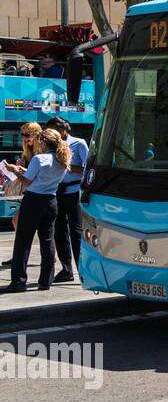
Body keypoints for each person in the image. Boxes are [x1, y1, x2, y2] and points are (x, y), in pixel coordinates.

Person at [2, 128, 70, 292]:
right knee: (47, 241)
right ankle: (45, 281)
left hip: (33, 200)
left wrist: (15, 171)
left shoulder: (39, 159)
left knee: (23, 241)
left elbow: (26, 182)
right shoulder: (62, 159)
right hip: (51, 201)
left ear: (44, 142)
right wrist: (23, 171)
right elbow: (40, 177)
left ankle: (19, 281)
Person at [46, 116, 88, 281]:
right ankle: (66, 269)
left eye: (54, 130)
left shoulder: (78, 143)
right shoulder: (52, 146)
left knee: (76, 231)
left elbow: (86, 167)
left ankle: (82, 269)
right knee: (59, 231)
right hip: (57, 191)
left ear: (63, 129)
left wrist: (66, 165)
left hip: (73, 191)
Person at [1, 123, 44, 270]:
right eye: (23, 135)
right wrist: (18, 166)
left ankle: (24, 256)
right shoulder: (28, 151)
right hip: (29, 191)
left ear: (37, 134)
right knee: (17, 221)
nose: (25, 139)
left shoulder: (42, 152)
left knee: (44, 227)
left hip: (39, 192)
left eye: (28, 135)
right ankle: (20, 255)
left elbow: (39, 173)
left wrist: (19, 168)